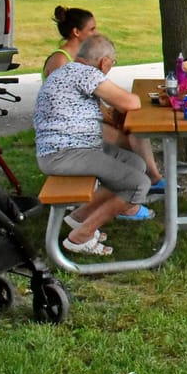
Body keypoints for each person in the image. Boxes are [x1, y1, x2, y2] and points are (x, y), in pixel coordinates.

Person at [33, 34, 155, 256]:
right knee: (138, 184)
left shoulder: (67, 70)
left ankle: (80, 217)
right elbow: (131, 102)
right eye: (112, 63)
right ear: (104, 62)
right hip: (65, 153)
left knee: (135, 163)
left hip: (69, 148)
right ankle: (80, 237)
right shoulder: (85, 73)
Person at [43, 5, 165, 192]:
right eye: (92, 29)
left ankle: (145, 181)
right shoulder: (62, 61)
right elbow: (67, 104)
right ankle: (143, 184)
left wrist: (110, 114)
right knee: (133, 135)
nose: (96, 32)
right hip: (69, 133)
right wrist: (109, 117)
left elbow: (91, 98)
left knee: (130, 127)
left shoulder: (82, 57)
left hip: (80, 125)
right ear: (76, 32)